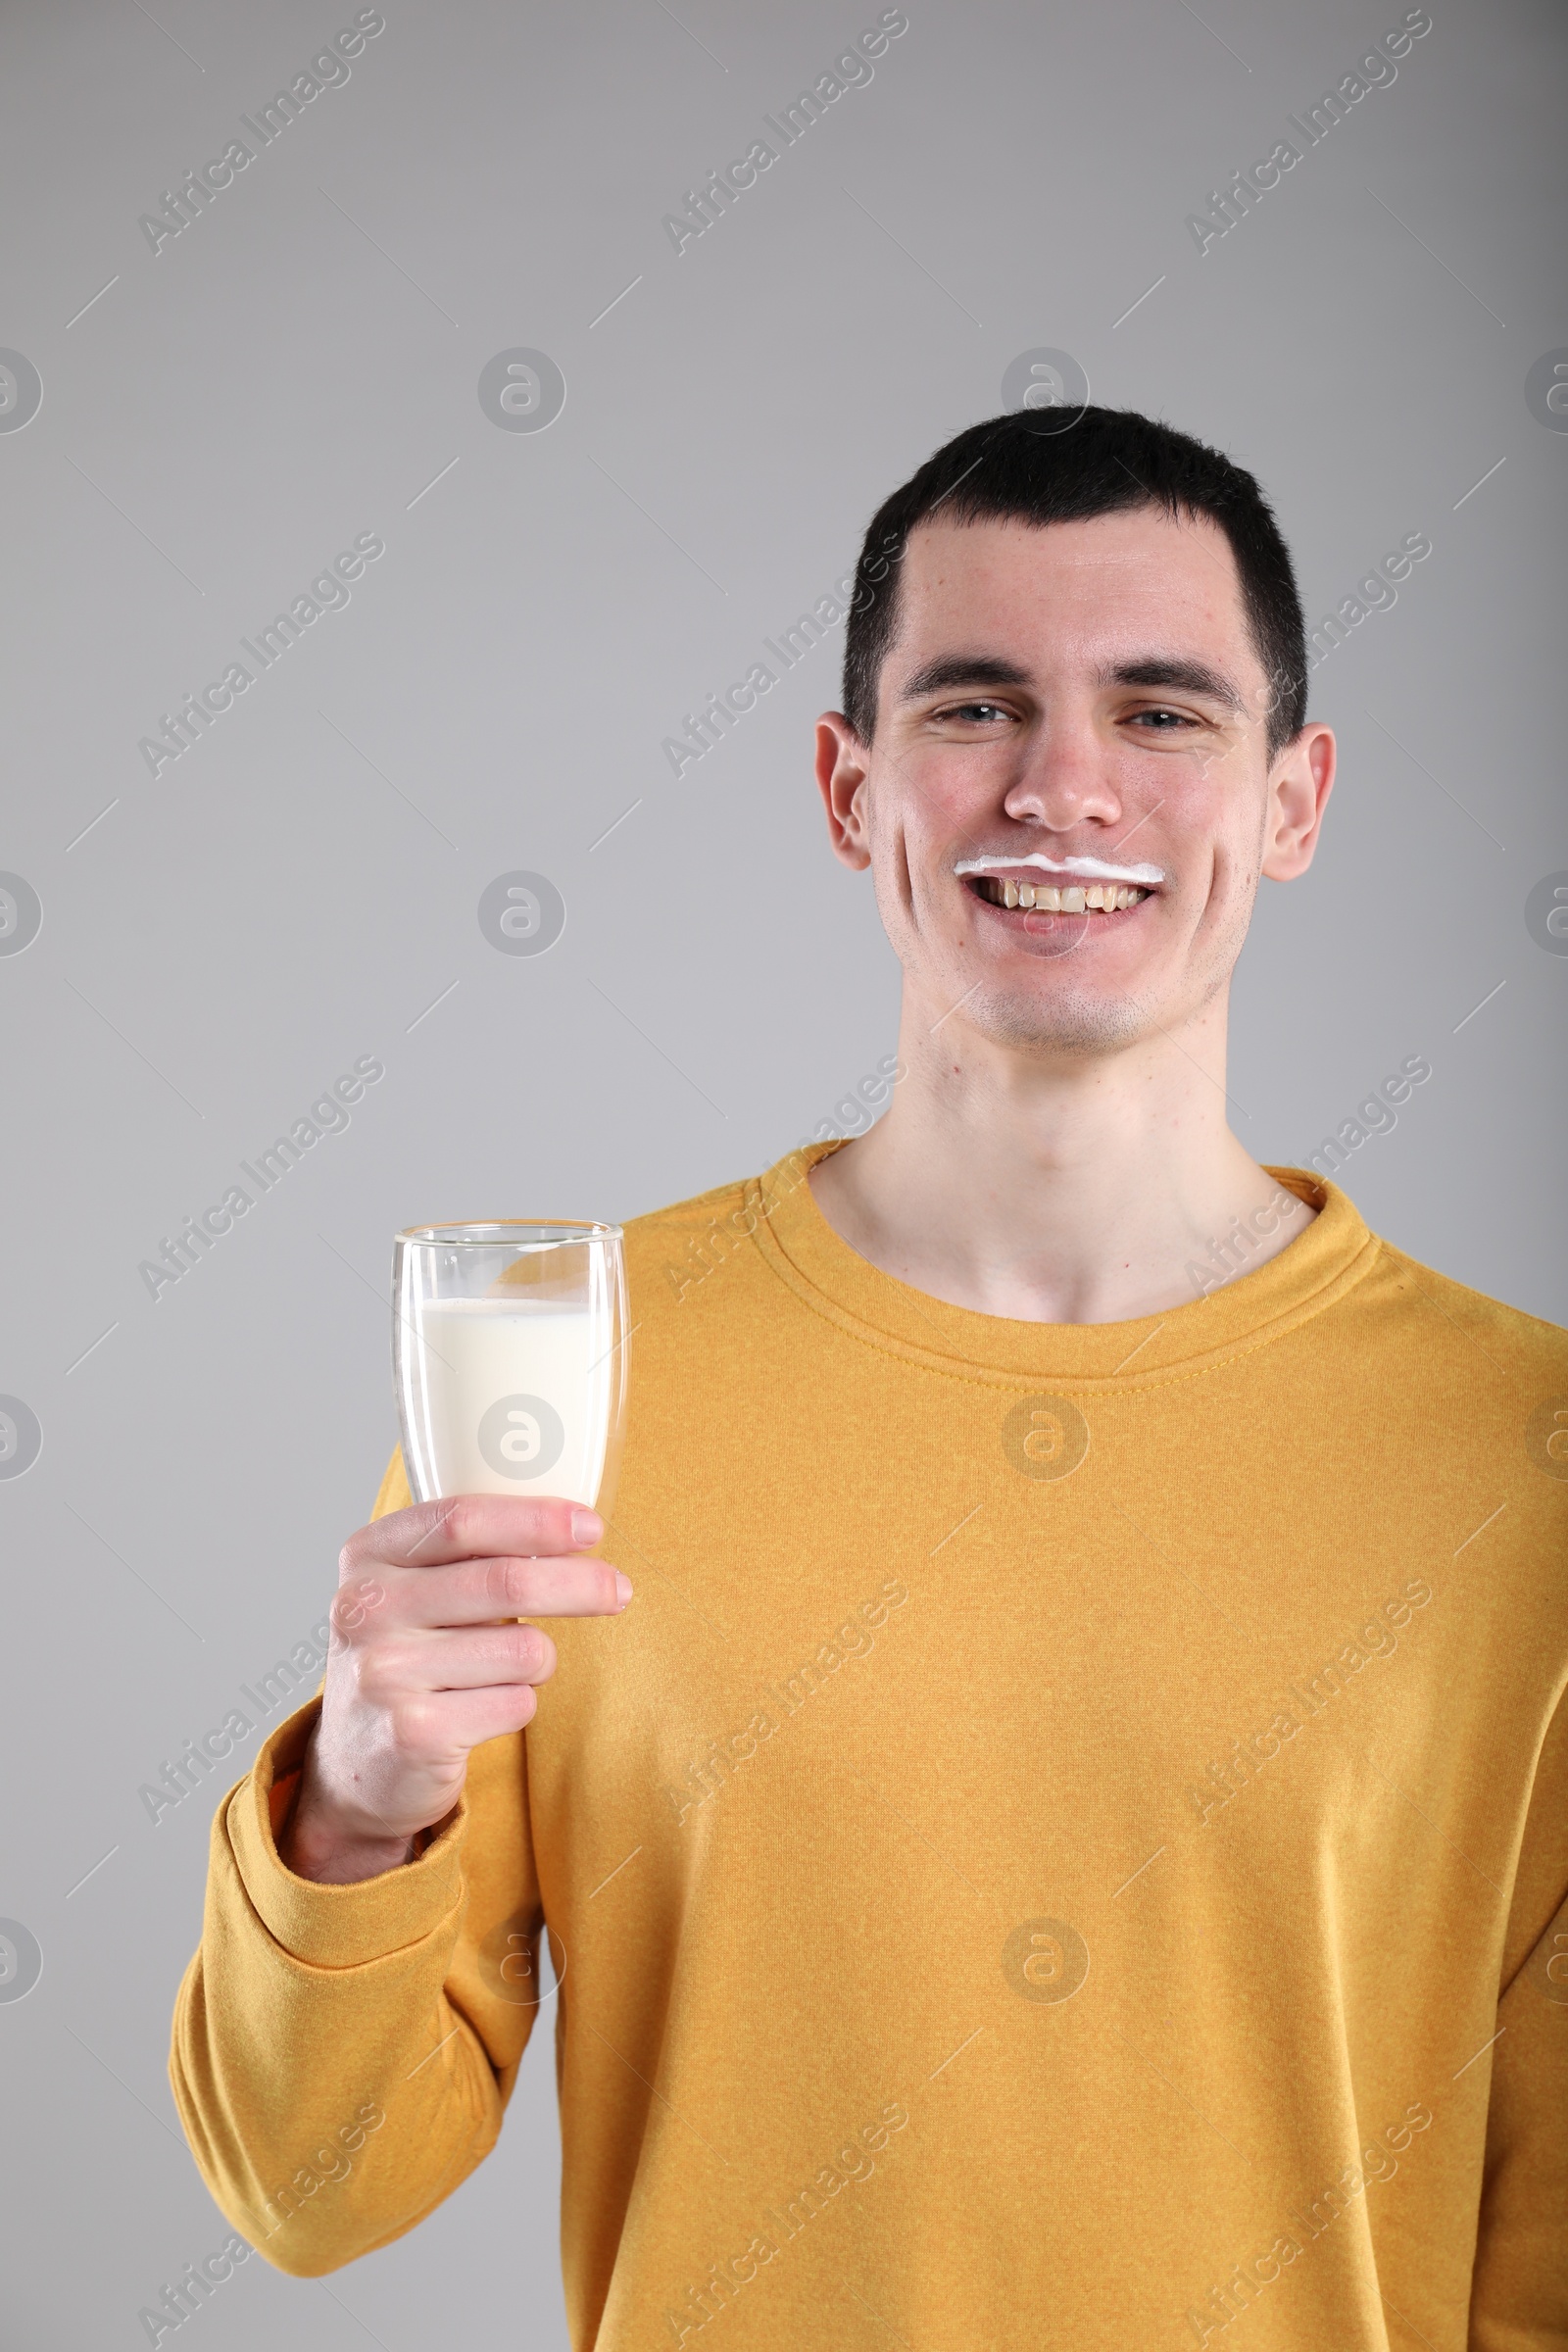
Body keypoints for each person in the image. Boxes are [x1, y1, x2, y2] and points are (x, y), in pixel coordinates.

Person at [170, 407, 1567, 2350]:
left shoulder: (1524, 1461)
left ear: (1292, 799)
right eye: (974, 707)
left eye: (1159, 714)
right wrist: (356, 1799)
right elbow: (309, 2191)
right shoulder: (575, 1369)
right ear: (848, 788)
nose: (1061, 787)